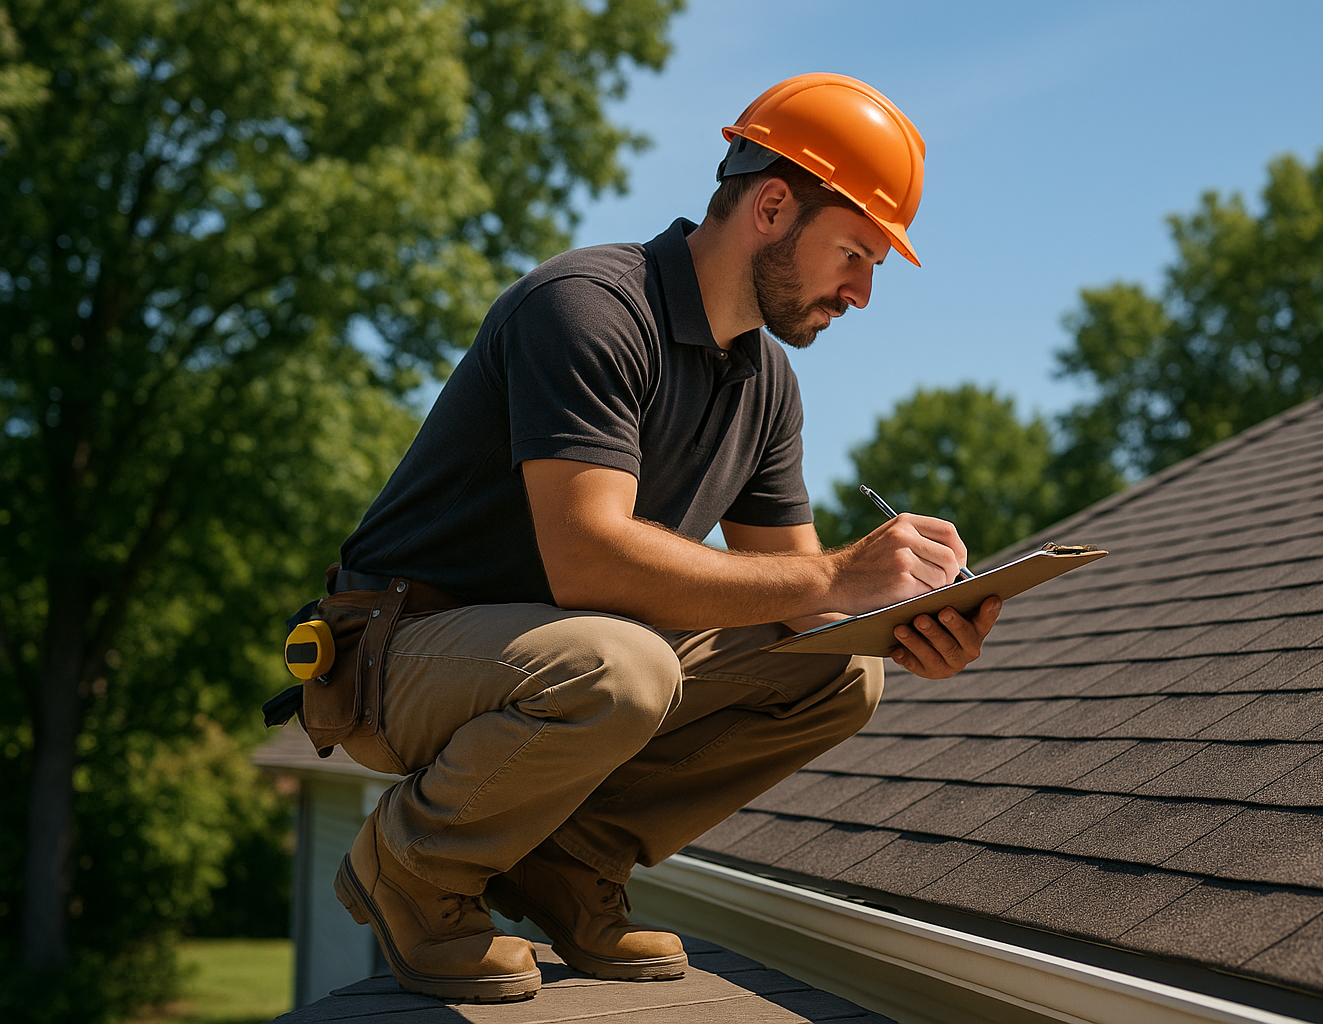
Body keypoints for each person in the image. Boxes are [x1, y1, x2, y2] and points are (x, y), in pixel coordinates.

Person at [323, 72, 1002, 1003]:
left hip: (560, 658)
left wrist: (899, 617)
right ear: (772, 206)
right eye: (856, 252)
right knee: (622, 667)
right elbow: (587, 559)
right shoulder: (590, 307)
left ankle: (569, 861)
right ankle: (413, 866)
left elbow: (793, 598)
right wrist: (840, 574)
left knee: (839, 670)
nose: (863, 292)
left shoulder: (766, 386)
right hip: (399, 651)